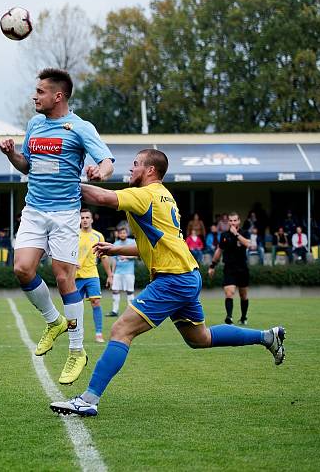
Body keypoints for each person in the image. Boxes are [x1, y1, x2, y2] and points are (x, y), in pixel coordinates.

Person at [50, 149, 286, 417]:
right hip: (186, 275)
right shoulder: (164, 196)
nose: (131, 169)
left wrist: (64, 179)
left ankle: (88, 399)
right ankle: (267, 337)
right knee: (200, 338)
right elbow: (156, 244)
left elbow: (101, 197)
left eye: (136, 164)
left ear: (150, 170)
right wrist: (116, 249)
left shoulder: (146, 194)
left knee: (121, 330)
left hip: (173, 278)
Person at [0, 67, 114, 386]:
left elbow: (106, 160)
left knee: (65, 277)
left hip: (65, 213)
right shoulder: (35, 124)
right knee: (22, 269)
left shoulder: (79, 127)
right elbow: (28, 165)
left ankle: (77, 351)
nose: (34, 96)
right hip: (34, 210)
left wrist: (99, 173)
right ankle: (54, 321)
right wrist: (12, 155)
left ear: (58, 96)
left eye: (40, 92)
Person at [73, 208, 113, 354]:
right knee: (74, 306)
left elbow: (104, 257)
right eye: (82, 217)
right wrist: (71, 263)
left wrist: (110, 275)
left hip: (92, 275)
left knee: (96, 302)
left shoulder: (98, 236)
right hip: (75, 276)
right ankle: (75, 335)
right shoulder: (73, 234)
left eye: (87, 217)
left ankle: (98, 333)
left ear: (92, 219)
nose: (84, 220)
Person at [209, 212, 252, 325]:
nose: (233, 223)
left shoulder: (245, 233)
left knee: (243, 295)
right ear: (228, 222)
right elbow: (219, 250)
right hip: (229, 268)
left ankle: (243, 317)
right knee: (229, 292)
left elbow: (248, 244)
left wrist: (236, 234)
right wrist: (212, 265)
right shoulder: (224, 235)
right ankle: (229, 318)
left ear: (239, 221)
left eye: (235, 220)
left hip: (242, 268)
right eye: (231, 221)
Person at [108, 226, 136, 317]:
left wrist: (127, 256)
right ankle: (114, 311)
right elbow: (114, 260)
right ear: (118, 234)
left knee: (130, 291)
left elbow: (137, 256)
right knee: (115, 290)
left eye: (124, 233)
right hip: (118, 272)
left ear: (127, 234)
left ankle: (130, 311)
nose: (122, 234)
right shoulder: (116, 243)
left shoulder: (132, 242)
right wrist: (112, 272)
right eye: (121, 233)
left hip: (129, 272)